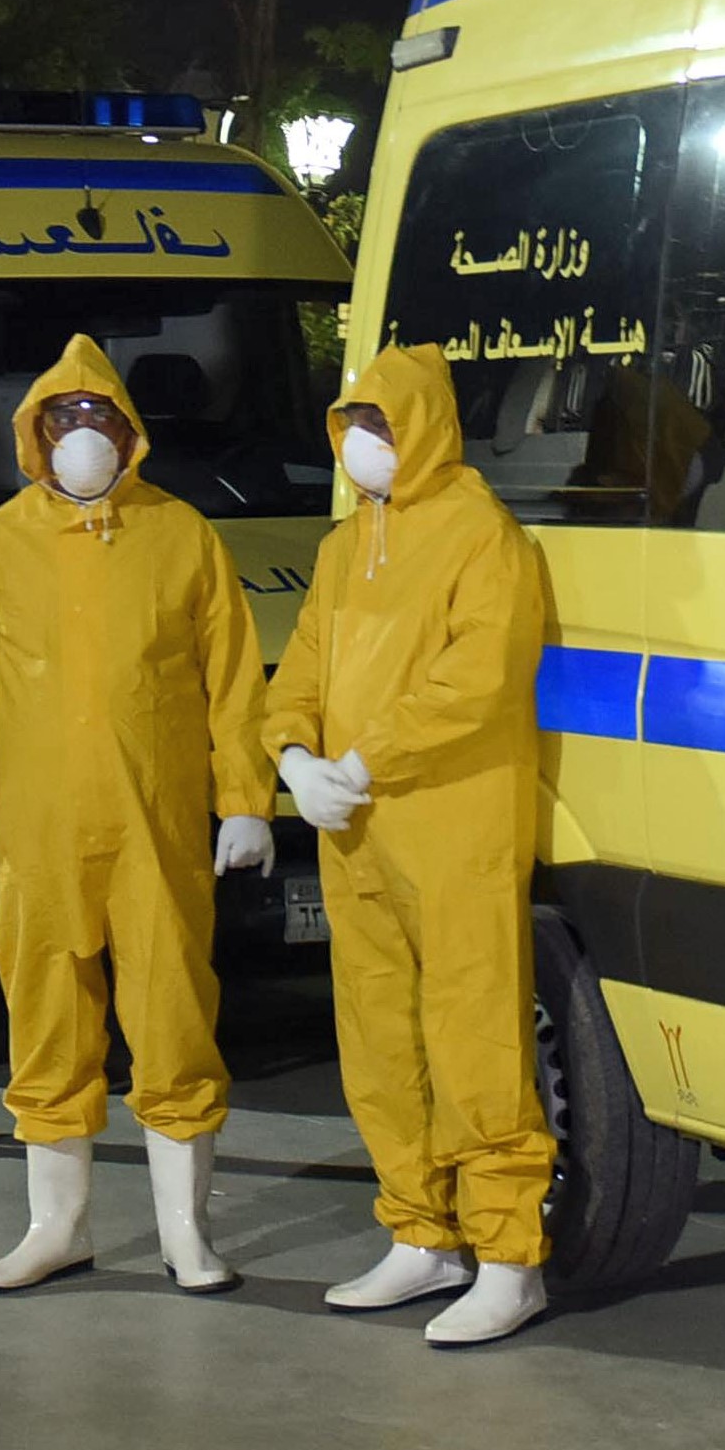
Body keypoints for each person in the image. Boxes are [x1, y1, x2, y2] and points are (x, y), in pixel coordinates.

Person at [0, 336, 274, 1292]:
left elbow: (235, 682)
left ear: (132, 433)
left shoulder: (184, 535)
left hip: (154, 833)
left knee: (174, 1020)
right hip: (34, 841)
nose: (85, 438)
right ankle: (56, 1226)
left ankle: (184, 1234)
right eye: (66, 422)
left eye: (101, 421)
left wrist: (247, 800)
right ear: (36, 436)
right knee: (46, 1023)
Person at [262, 343, 559, 1349]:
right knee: (381, 1034)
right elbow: (303, 660)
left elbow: (482, 676)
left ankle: (509, 1257)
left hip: (455, 824)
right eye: (352, 425)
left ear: (424, 426)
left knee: (474, 1032)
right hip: (356, 830)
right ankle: (420, 1232)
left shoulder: (485, 538)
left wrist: (363, 756)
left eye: (381, 425)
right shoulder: (348, 546)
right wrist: (294, 755)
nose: (363, 445)